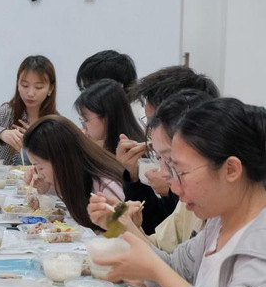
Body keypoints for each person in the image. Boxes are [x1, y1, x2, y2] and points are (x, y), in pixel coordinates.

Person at [92, 98, 266, 287]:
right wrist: (118, 226)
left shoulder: (259, 237)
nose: (173, 185)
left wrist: (154, 268)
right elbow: (175, 270)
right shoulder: (219, 223)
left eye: (181, 172)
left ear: (231, 170)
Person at [88, 91, 213, 252]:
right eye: (160, 157)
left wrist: (127, 227)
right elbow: (162, 251)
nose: (164, 172)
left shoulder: (224, 222)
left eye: (170, 160)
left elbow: (168, 262)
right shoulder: (189, 201)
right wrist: (125, 224)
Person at [75, 79, 176, 234]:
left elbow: (155, 226)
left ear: (107, 116)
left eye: (86, 119)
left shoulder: (137, 153)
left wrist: (171, 190)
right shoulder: (110, 150)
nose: (83, 125)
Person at [23, 115, 124, 230]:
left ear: (60, 161)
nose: (38, 175)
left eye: (40, 168)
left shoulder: (107, 188)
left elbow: (120, 234)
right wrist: (46, 187)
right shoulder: (79, 176)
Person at [0, 55, 57, 164]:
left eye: (38, 87)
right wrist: (1, 133)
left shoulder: (56, 124)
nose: (30, 93)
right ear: (17, 84)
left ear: (51, 88)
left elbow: (63, 164)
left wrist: (40, 143)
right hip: (4, 175)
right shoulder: (6, 112)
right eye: (25, 85)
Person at [74, 79, 145, 153]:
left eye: (86, 119)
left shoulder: (131, 151)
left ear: (107, 117)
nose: (83, 127)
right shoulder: (100, 147)